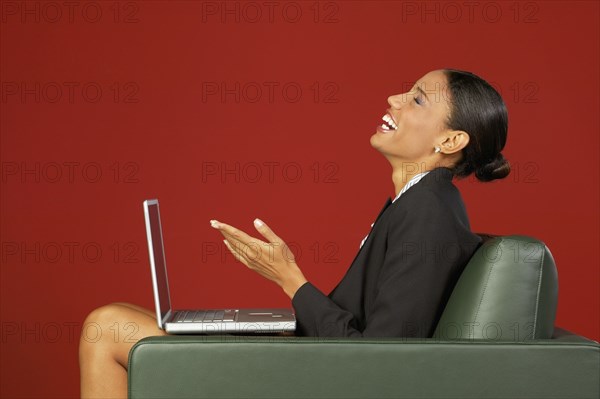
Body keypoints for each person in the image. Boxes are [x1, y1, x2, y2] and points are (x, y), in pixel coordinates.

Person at [79, 68, 510, 397]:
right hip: (308, 358)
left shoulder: (429, 212)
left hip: (312, 376)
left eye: (416, 100)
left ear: (451, 141)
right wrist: (282, 321)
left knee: (109, 325)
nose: (394, 100)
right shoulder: (417, 201)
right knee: (122, 313)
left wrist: (290, 279)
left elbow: (382, 361)